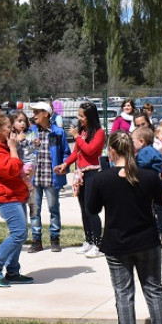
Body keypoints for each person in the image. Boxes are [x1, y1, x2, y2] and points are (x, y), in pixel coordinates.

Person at [84, 130, 162, 324]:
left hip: (117, 243)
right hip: (147, 240)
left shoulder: (101, 179)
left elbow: (92, 209)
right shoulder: (147, 176)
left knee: (124, 294)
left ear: (112, 151)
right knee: (154, 290)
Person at [0, 112, 33, 287]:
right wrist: (13, 149)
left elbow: (16, 167)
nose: (11, 128)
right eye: (7, 126)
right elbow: (11, 169)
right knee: (19, 233)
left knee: (18, 234)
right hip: (3, 197)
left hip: (15, 194)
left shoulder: (3, 145)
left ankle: (12, 271)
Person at [56, 102, 106, 257]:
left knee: (91, 209)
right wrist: (65, 164)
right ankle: (89, 240)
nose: (79, 118)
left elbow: (90, 151)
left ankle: (98, 244)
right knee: (84, 209)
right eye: (79, 115)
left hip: (92, 174)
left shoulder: (99, 132)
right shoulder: (83, 132)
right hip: (80, 173)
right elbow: (76, 152)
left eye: (81, 115)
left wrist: (77, 137)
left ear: (90, 116)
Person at [27, 102, 70, 253]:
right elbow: (25, 150)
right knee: (34, 209)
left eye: (37, 112)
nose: (34, 115)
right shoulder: (31, 131)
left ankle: (54, 238)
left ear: (46, 113)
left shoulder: (57, 132)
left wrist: (64, 166)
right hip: (35, 178)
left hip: (51, 178)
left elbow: (65, 152)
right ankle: (36, 240)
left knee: (54, 208)